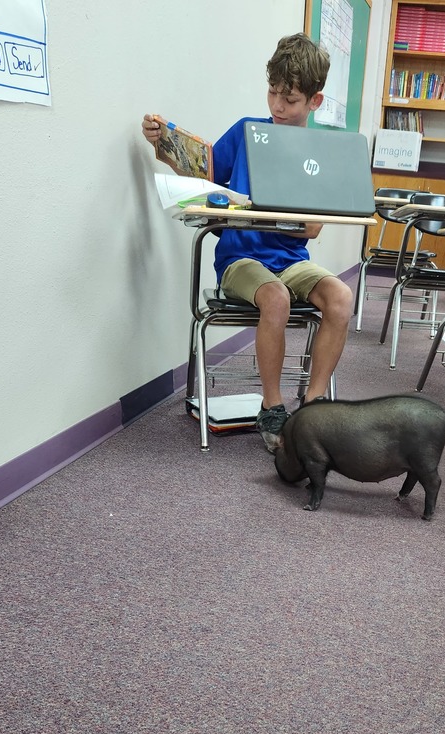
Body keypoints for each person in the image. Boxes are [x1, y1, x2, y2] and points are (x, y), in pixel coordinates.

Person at [142, 33, 353, 452]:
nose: (278, 106)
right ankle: (272, 407)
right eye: (273, 92)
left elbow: (311, 229)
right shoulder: (247, 132)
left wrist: (279, 216)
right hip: (240, 261)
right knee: (276, 298)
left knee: (341, 298)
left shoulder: (318, 150)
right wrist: (161, 143)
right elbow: (203, 171)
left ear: (315, 101)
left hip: (291, 260)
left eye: (290, 99)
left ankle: (313, 407)